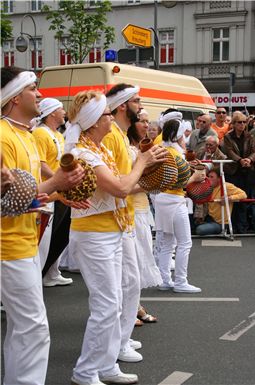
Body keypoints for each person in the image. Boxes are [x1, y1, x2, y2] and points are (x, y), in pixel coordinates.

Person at [64, 90, 166, 385]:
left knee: (116, 300)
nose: (111, 117)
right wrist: (142, 163)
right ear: (95, 122)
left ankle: (106, 364)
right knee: (106, 304)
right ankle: (84, 371)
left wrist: (144, 170)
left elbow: (123, 185)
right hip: (94, 235)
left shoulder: (99, 149)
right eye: (107, 114)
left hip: (111, 230)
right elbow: (120, 188)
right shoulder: (84, 153)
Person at [0, 67, 87, 385]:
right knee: (33, 327)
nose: (39, 94)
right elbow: (7, 198)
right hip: (8, 245)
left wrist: (63, 193)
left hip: (22, 241)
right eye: (33, 88)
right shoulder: (3, 136)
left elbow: (31, 187)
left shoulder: (24, 134)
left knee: (23, 326)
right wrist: (58, 184)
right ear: (13, 97)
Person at [103, 83, 144, 363]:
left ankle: (123, 338)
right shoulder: (111, 137)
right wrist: (150, 175)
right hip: (112, 221)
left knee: (130, 283)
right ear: (122, 105)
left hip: (124, 218)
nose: (141, 106)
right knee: (126, 285)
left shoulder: (120, 135)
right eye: (137, 101)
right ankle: (118, 345)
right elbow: (119, 184)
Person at [154, 109, 202, 293]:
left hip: (163, 200)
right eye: (184, 135)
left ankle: (165, 279)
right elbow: (177, 181)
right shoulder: (174, 154)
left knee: (168, 242)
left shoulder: (164, 150)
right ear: (178, 136)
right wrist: (195, 178)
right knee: (184, 243)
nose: (186, 139)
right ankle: (180, 281)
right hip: (174, 200)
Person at [32, 97, 73, 286]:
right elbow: (41, 164)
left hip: (59, 188)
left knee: (60, 234)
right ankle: (36, 277)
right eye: (61, 109)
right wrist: (57, 181)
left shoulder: (57, 134)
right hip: (47, 190)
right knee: (45, 237)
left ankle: (51, 272)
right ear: (52, 113)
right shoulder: (41, 133)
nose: (64, 112)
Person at [127, 109, 162, 325]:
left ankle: (135, 306)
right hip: (131, 211)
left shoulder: (140, 148)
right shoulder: (128, 148)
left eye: (149, 122)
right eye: (142, 121)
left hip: (142, 209)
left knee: (140, 260)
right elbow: (126, 183)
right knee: (135, 263)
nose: (147, 126)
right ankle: (131, 309)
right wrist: (152, 182)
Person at [223, 112, 255, 233]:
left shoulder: (249, 136)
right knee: (233, 200)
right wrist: (240, 160)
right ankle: (232, 227)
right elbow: (229, 151)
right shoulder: (228, 136)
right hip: (233, 171)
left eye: (244, 122)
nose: (242, 124)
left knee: (244, 200)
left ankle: (242, 228)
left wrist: (249, 159)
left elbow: (254, 150)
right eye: (239, 122)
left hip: (247, 172)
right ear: (233, 124)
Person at [195, 169, 247, 235]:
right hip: (208, 218)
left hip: (221, 223)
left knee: (200, 230)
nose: (208, 179)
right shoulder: (208, 187)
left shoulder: (226, 186)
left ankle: (221, 229)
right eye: (208, 176)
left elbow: (243, 194)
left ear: (219, 179)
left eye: (212, 177)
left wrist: (229, 198)